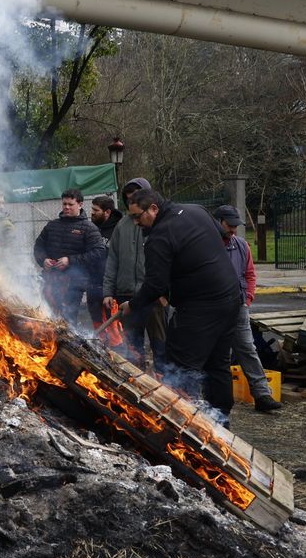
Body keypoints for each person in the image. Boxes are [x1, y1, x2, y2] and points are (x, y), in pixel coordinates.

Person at [122, 190, 242, 417]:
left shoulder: (158, 237)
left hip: (200, 306)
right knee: (218, 364)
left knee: (178, 366)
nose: (137, 223)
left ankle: (182, 422)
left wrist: (132, 305)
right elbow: (220, 235)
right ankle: (221, 420)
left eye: (138, 217)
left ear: (154, 208)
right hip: (230, 298)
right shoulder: (196, 210)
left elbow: (155, 285)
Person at [213, 205, 283, 413]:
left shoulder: (241, 246)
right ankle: (218, 397)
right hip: (213, 308)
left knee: (247, 349)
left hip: (238, 306)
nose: (233, 230)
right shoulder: (207, 246)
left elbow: (250, 275)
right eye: (230, 225)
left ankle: (262, 395)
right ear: (217, 221)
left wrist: (248, 299)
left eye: (236, 226)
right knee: (217, 353)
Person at [103, 178, 167, 366]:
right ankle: (136, 384)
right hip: (126, 296)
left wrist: (165, 294)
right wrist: (108, 291)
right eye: (129, 199)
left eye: (136, 198)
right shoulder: (122, 226)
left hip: (154, 297)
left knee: (161, 346)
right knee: (132, 348)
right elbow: (112, 259)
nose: (132, 203)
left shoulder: (158, 223)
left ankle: (165, 384)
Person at [33, 188, 106, 326]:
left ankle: (66, 345)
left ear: (80, 204)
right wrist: (43, 260)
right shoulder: (52, 225)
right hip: (50, 279)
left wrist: (70, 260)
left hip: (73, 283)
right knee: (46, 317)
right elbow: (38, 247)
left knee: (67, 319)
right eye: (64, 204)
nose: (66, 207)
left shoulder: (89, 228)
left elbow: (98, 252)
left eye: (70, 204)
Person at [87, 196, 123, 327]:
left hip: (110, 288)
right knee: (97, 324)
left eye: (96, 210)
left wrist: (112, 289)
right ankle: (100, 347)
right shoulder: (91, 229)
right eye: (92, 209)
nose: (92, 212)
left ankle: (118, 348)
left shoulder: (119, 229)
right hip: (92, 286)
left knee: (113, 326)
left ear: (107, 212)